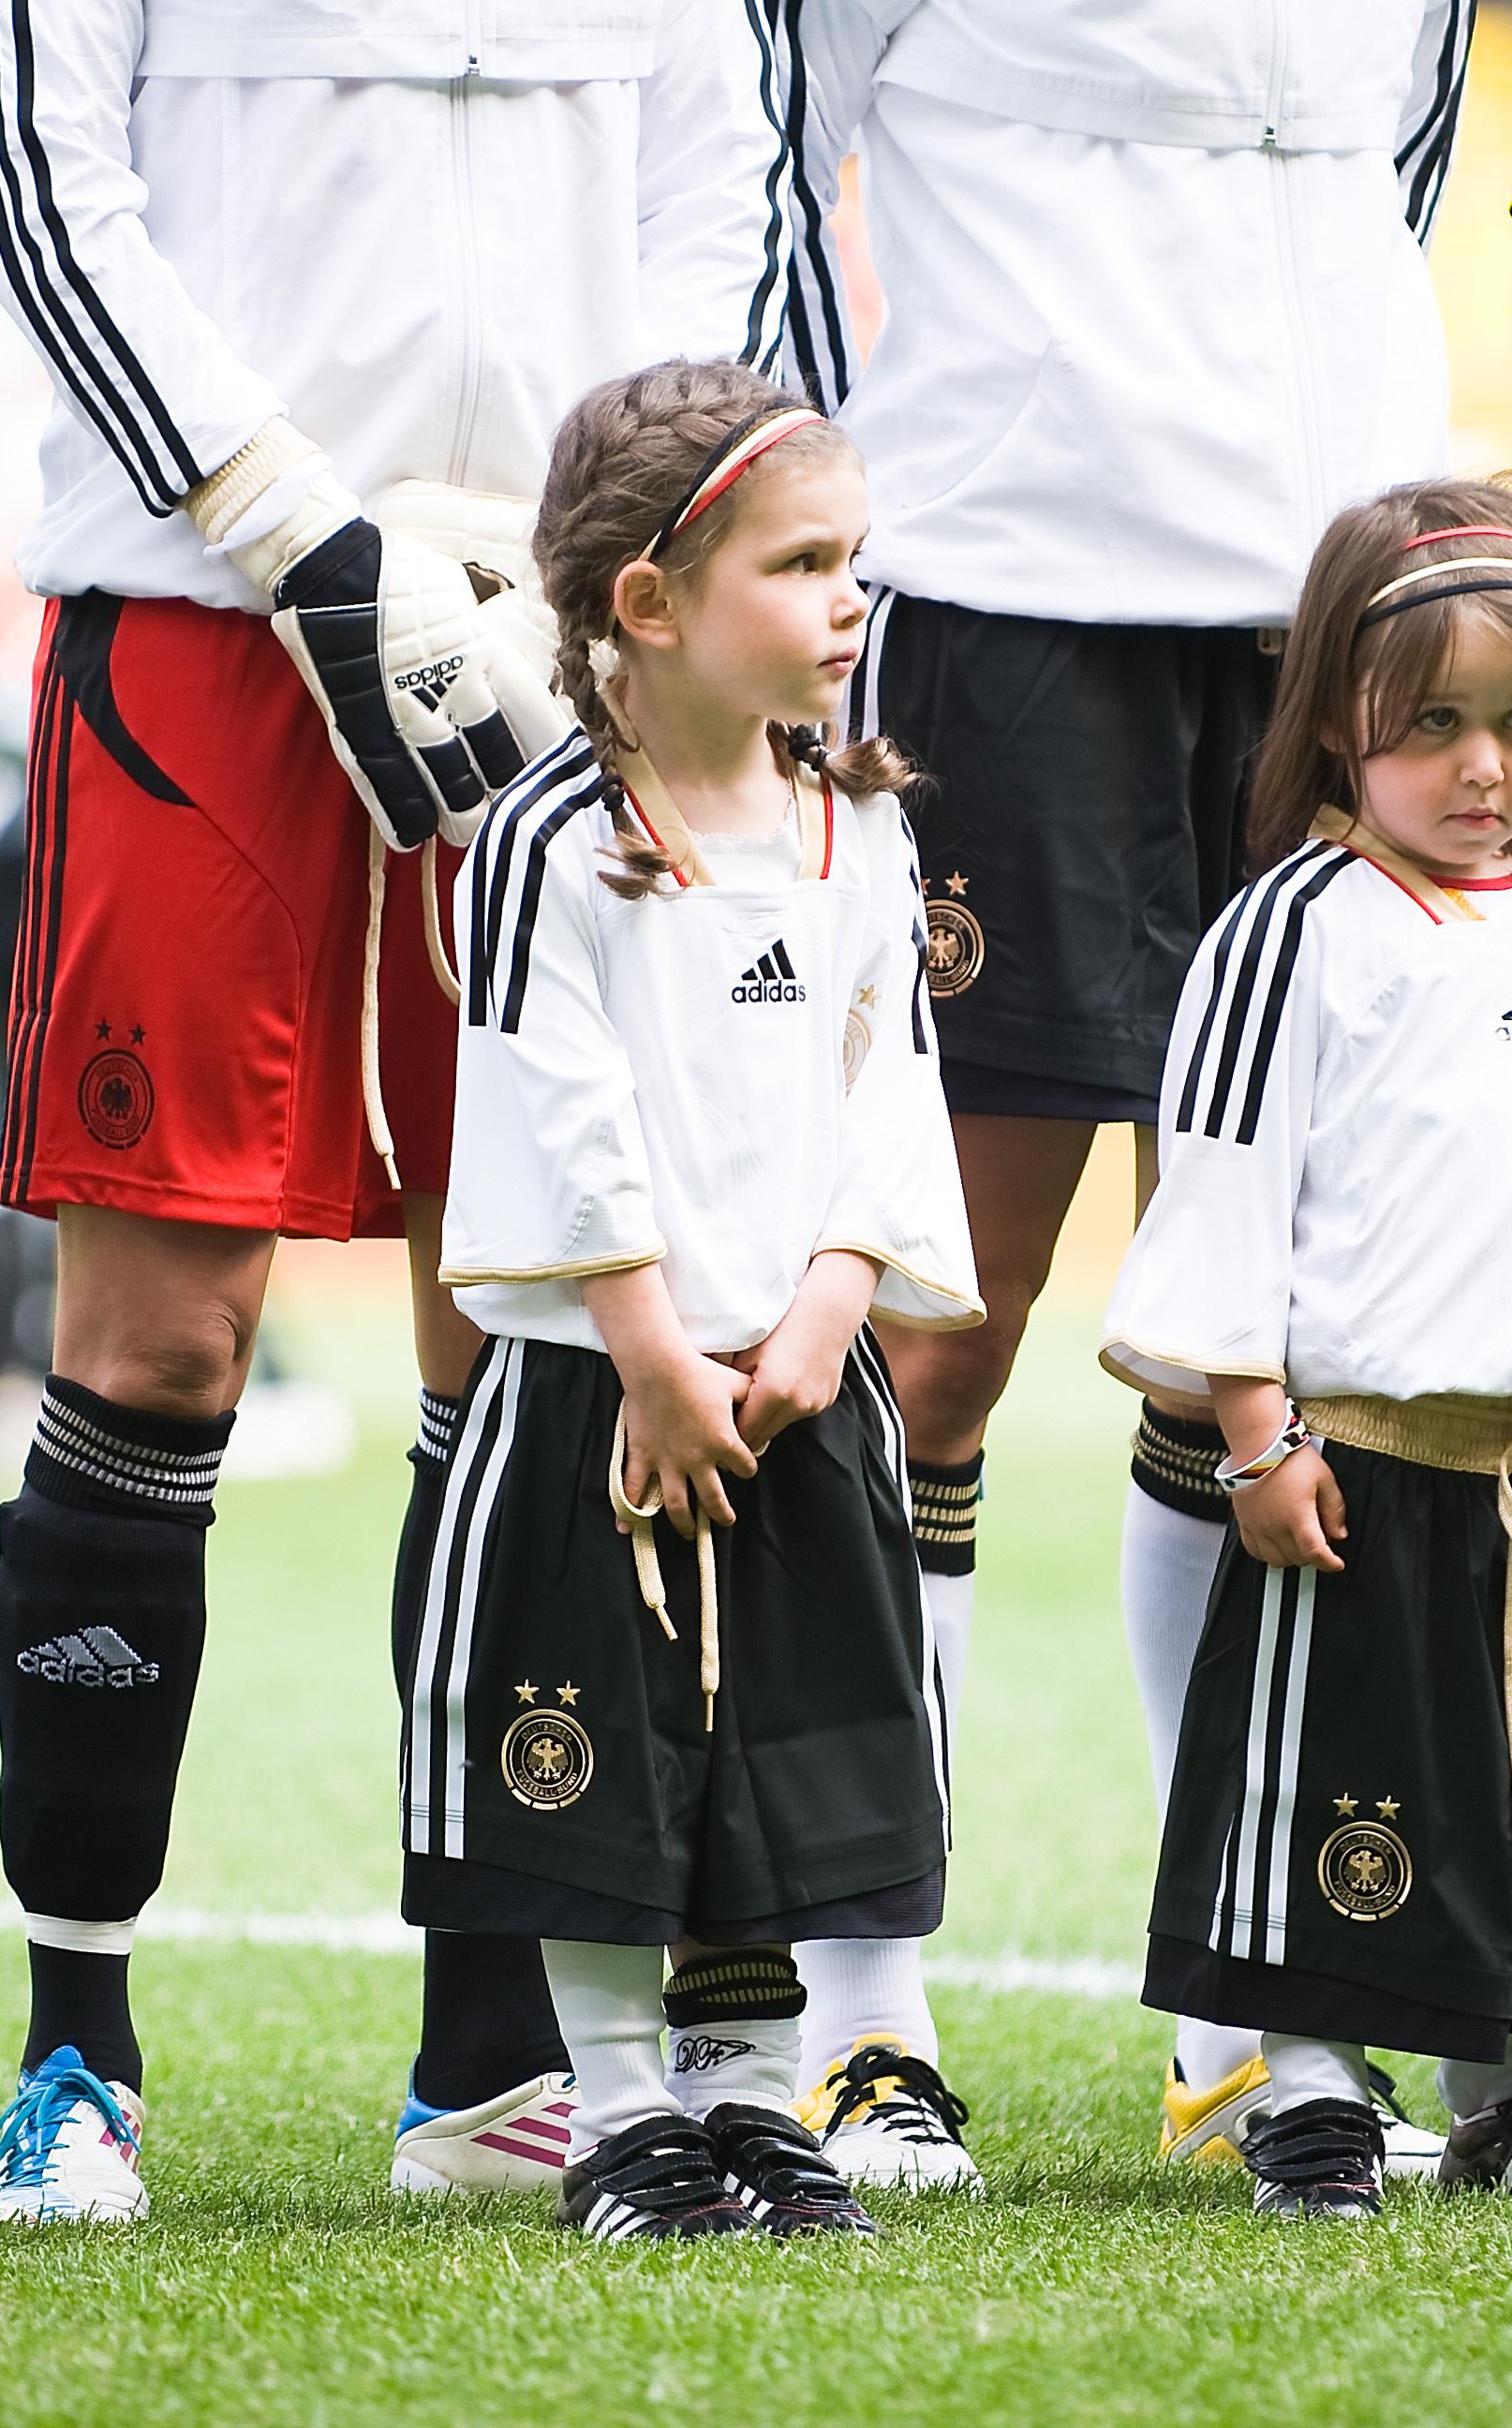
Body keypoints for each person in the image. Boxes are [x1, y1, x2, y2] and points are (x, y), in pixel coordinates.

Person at [0, 0, 776, 2219]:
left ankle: (492, 2055)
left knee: (517, 1326)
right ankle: (72, 2056)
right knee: (158, 1347)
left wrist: (604, 552)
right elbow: (46, 183)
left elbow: (731, 183)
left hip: (552, 639)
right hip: (202, 619)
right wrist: (299, 530)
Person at [749, 0, 1481, 2190]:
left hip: (1321, 613)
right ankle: (855, 2013)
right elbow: (787, 159)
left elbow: (1396, 164)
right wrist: (847, 522)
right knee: (929, 1328)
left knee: (1281, 1331)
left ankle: (1247, 2014)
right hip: (1008, 579)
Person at [1106, 480, 1512, 2220]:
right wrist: (1254, 1432)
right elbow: (1225, 1191)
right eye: (1438, 724)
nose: (1487, 767)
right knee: (1354, 1793)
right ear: (1337, 719)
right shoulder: (1298, 930)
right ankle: (1308, 2085)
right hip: (1370, 1461)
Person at [420, 360, 977, 2241]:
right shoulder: (549, 843)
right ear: (647, 604)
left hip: (802, 1393)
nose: (848, 604)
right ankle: (620, 2113)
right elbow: (555, 1110)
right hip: (605, 1397)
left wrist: (831, 1312)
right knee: (607, 1758)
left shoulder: (857, 835)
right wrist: (652, 1349)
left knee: (775, 1756)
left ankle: (750, 2102)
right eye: (801, 562)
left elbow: (885, 1093)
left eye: (854, 561)